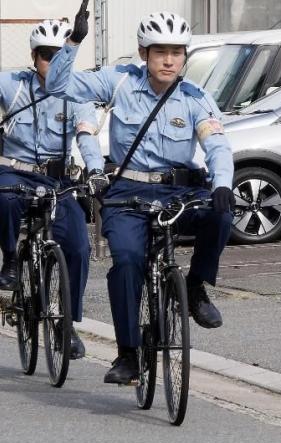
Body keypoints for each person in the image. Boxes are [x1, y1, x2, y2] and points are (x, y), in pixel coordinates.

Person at [46, 1, 236, 384]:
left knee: (222, 213)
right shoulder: (119, 81)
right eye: (160, 52)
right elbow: (57, 85)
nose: (169, 61)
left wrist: (221, 184)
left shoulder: (196, 97)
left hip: (179, 190)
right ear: (143, 53)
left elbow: (217, 145)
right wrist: (74, 42)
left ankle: (197, 286)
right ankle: (128, 355)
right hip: (126, 193)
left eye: (176, 53)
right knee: (128, 261)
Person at [0, 19, 105, 360]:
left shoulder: (77, 94)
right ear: (34, 57)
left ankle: (67, 325)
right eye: (47, 55)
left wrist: (96, 170)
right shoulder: (12, 85)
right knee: (4, 199)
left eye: (60, 55)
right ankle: (12, 261)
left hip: (58, 181)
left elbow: (87, 136)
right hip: (14, 174)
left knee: (77, 246)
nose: (54, 62)